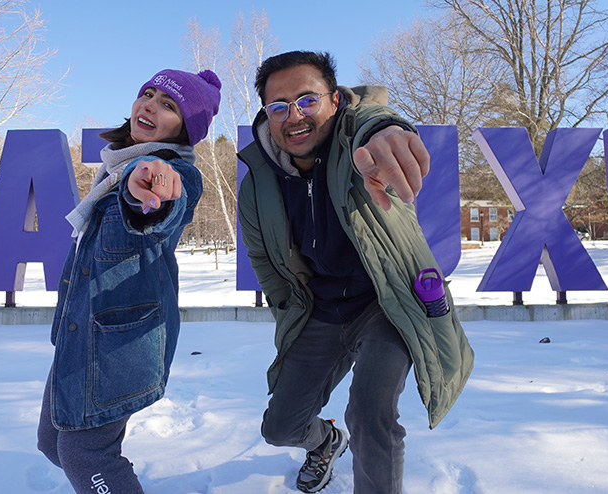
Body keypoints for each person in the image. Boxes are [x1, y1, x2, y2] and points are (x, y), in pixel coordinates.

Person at [237, 50, 474, 493]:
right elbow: (264, 262)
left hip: (385, 304)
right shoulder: (257, 184)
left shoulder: (359, 145)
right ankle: (326, 442)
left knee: (370, 412)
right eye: (279, 106)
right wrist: (288, 307)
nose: (295, 116)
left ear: (334, 100)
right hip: (320, 313)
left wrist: (385, 129)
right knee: (280, 428)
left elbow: (374, 121)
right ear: (266, 115)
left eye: (308, 100)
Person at [37, 68, 221, 493]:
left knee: (86, 453)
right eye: (149, 94)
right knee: (52, 443)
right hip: (79, 332)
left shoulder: (171, 172)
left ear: (184, 129)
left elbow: (156, 210)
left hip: (117, 345)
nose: (150, 105)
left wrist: (148, 193)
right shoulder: (114, 169)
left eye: (168, 105)